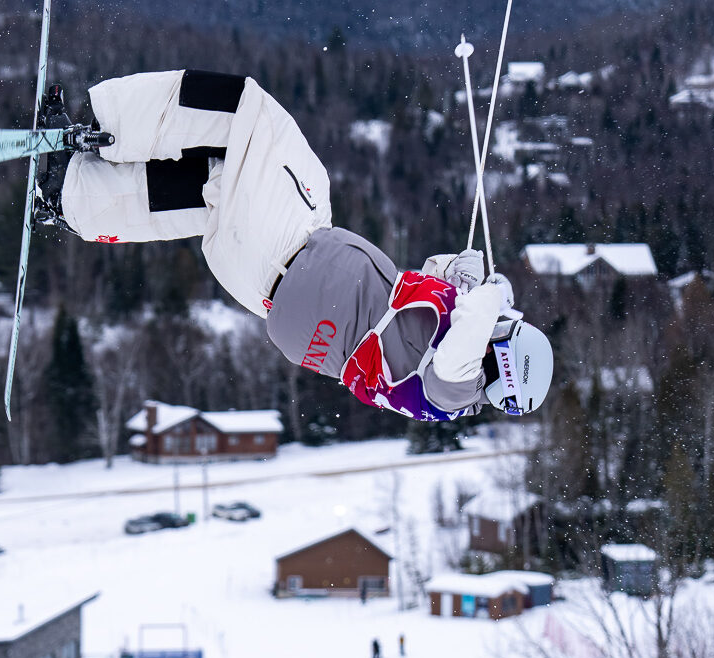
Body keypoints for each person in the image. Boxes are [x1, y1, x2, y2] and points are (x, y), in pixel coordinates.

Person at [35, 71, 554, 421]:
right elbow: (420, 296)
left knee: (249, 110)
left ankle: (111, 125)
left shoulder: (455, 388)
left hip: (291, 257)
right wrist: (457, 276)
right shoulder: (443, 356)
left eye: (510, 328)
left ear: (503, 352)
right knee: (219, 179)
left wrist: (492, 295)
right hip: (276, 269)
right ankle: (71, 196)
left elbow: (469, 331)